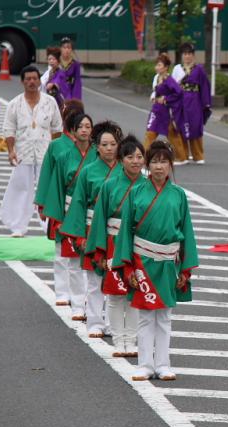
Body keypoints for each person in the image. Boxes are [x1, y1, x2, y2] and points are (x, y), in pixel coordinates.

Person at [113, 140, 199, 381]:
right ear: (147, 165)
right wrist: (127, 265)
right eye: (154, 161)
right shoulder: (137, 192)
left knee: (164, 316)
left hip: (168, 262)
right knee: (145, 316)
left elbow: (187, 232)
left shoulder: (179, 195)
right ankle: (145, 364)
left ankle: (163, 363)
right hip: (142, 262)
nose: (159, 167)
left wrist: (185, 268)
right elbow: (126, 233)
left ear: (171, 165)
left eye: (164, 162)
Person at [60, 121, 123, 337]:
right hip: (92, 228)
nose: (108, 148)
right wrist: (79, 237)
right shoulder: (88, 172)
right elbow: (77, 204)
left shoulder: (126, 171)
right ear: (97, 146)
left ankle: (113, 323)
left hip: (117, 233)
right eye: (104, 144)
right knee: (95, 279)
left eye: (113, 144)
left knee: (115, 279)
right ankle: (95, 321)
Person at [85, 135, 145, 357]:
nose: (135, 161)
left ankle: (132, 339)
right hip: (113, 242)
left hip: (137, 246)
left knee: (134, 292)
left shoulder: (147, 186)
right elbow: (99, 219)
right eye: (130, 157)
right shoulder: (110, 186)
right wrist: (99, 250)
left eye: (139, 157)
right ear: (121, 160)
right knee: (115, 294)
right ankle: (118, 341)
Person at [37, 112, 96, 320]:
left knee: (91, 259)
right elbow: (52, 181)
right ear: (72, 129)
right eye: (80, 126)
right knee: (66, 255)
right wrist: (48, 206)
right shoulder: (61, 153)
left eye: (88, 126)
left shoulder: (98, 154)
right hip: (69, 208)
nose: (84, 130)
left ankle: (89, 300)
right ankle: (66, 294)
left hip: (93, 212)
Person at [0, 65, 63, 238]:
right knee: (21, 188)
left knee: (47, 191)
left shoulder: (50, 103)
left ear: (39, 80)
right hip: (23, 153)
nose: (32, 82)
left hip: (46, 153)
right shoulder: (15, 104)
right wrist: (11, 151)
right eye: (28, 79)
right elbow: (9, 129)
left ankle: (49, 228)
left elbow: (57, 127)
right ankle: (18, 227)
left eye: (35, 78)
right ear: (22, 81)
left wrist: (57, 152)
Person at [34, 98, 85, 307]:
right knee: (60, 251)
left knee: (82, 253)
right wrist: (43, 204)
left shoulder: (92, 146)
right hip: (61, 204)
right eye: (69, 114)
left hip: (83, 207)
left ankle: (80, 293)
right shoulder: (56, 145)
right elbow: (46, 175)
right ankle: (62, 292)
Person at [171, 41, 211, 164]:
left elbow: (205, 86)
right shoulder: (177, 69)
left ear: (193, 55)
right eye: (185, 54)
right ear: (182, 55)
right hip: (181, 101)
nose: (187, 56)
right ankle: (183, 155)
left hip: (194, 100)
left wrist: (206, 103)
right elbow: (171, 86)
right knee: (180, 126)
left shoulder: (199, 69)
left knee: (195, 126)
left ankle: (198, 155)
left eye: (189, 54)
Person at [145, 53, 186, 164]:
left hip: (166, 112)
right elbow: (155, 92)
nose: (157, 67)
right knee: (150, 133)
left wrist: (166, 98)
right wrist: (154, 97)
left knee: (172, 135)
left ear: (166, 67)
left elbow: (179, 93)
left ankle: (181, 157)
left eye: (159, 65)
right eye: (156, 65)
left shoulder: (169, 80)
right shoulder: (157, 78)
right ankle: (144, 157)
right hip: (156, 110)